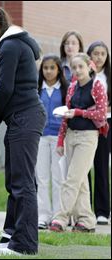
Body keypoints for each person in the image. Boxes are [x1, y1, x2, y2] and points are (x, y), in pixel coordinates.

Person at [0, 7, 46, 256]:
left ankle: (23, 244)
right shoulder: (7, 45)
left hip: (26, 117)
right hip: (19, 118)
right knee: (13, 180)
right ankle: (9, 237)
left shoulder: (11, 46)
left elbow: (5, 89)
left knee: (23, 183)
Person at [50, 53, 109, 233]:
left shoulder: (97, 86)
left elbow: (101, 114)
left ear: (89, 66)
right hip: (71, 135)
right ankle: (86, 221)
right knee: (81, 180)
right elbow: (66, 116)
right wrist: (61, 141)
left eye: (80, 67)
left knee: (72, 179)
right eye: (74, 67)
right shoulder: (72, 87)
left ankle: (61, 218)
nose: (77, 70)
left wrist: (79, 112)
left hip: (88, 137)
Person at [35, 55, 69, 230]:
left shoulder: (64, 89)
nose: (48, 71)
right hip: (39, 137)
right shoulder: (36, 89)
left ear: (58, 70)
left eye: (52, 68)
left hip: (58, 138)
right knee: (41, 178)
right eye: (45, 68)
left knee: (58, 178)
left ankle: (57, 215)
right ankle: (43, 214)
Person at [87, 41, 111, 225]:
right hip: (86, 123)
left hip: (105, 123)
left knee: (101, 166)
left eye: (103, 54)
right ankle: (85, 209)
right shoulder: (85, 75)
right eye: (96, 53)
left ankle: (102, 211)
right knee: (85, 168)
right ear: (90, 56)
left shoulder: (108, 76)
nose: (99, 57)